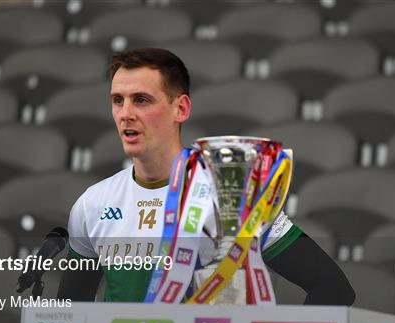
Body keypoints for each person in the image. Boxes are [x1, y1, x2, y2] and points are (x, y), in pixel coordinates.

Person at [57, 47, 355, 305]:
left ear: (181, 108)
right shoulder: (93, 204)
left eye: (142, 100)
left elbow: (333, 289)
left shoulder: (234, 195)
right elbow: (63, 317)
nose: (125, 113)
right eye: (118, 100)